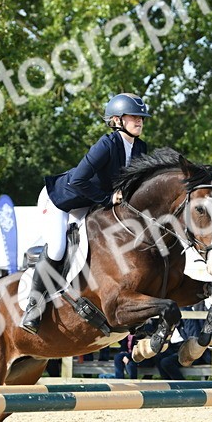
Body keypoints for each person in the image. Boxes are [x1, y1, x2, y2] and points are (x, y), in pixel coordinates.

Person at [22, 93, 150, 333]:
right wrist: (107, 199)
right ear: (117, 120)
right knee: (58, 247)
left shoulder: (140, 147)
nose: (139, 120)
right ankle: (33, 306)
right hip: (61, 200)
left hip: (89, 202)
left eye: (141, 117)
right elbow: (78, 180)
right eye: (134, 116)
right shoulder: (106, 145)